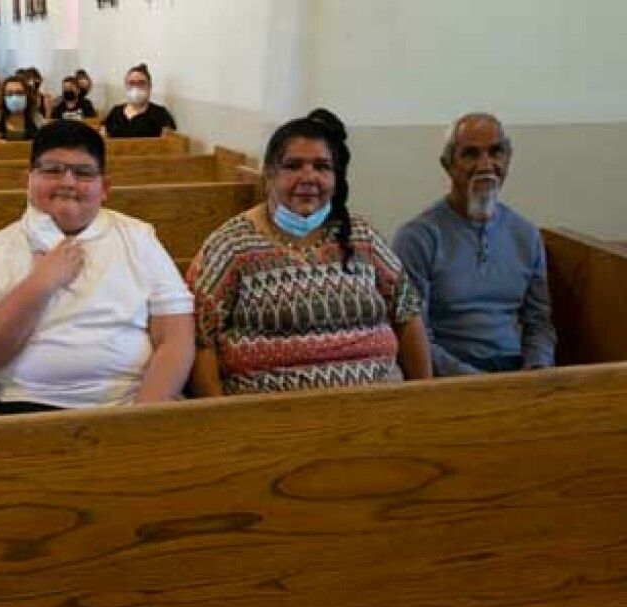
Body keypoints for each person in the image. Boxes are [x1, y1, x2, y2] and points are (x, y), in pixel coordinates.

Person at [0, 120, 195, 414]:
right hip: (25, 406)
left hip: (130, 402)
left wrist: (141, 419)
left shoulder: (138, 237)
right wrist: (40, 285)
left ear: (104, 187)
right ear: (28, 179)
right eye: (52, 170)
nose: (67, 182)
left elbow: (176, 338)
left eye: (83, 173)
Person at [188, 109, 432, 396]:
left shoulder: (361, 237)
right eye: (293, 166)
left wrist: (422, 402)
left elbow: (407, 314)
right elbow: (201, 339)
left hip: (379, 412)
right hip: (274, 423)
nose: (309, 177)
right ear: (269, 173)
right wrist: (223, 424)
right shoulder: (232, 244)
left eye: (321, 166)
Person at [392, 113, 556, 376]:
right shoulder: (417, 238)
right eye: (470, 154)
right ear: (448, 165)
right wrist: (476, 383)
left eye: (496, 152)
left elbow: (539, 323)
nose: (485, 165)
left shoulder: (526, 235)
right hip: (451, 380)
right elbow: (413, 334)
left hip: (518, 375)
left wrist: (537, 370)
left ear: (508, 159)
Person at [101, 64, 175, 138]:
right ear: (126, 86)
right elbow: (103, 139)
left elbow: (168, 143)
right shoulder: (115, 112)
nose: (136, 87)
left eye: (141, 83)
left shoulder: (161, 114)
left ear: (149, 86)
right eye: (131, 83)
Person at [0, 75, 39, 141]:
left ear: (27, 95)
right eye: (9, 94)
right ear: (3, 97)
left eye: (19, 93)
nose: (14, 98)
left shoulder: (37, 119)